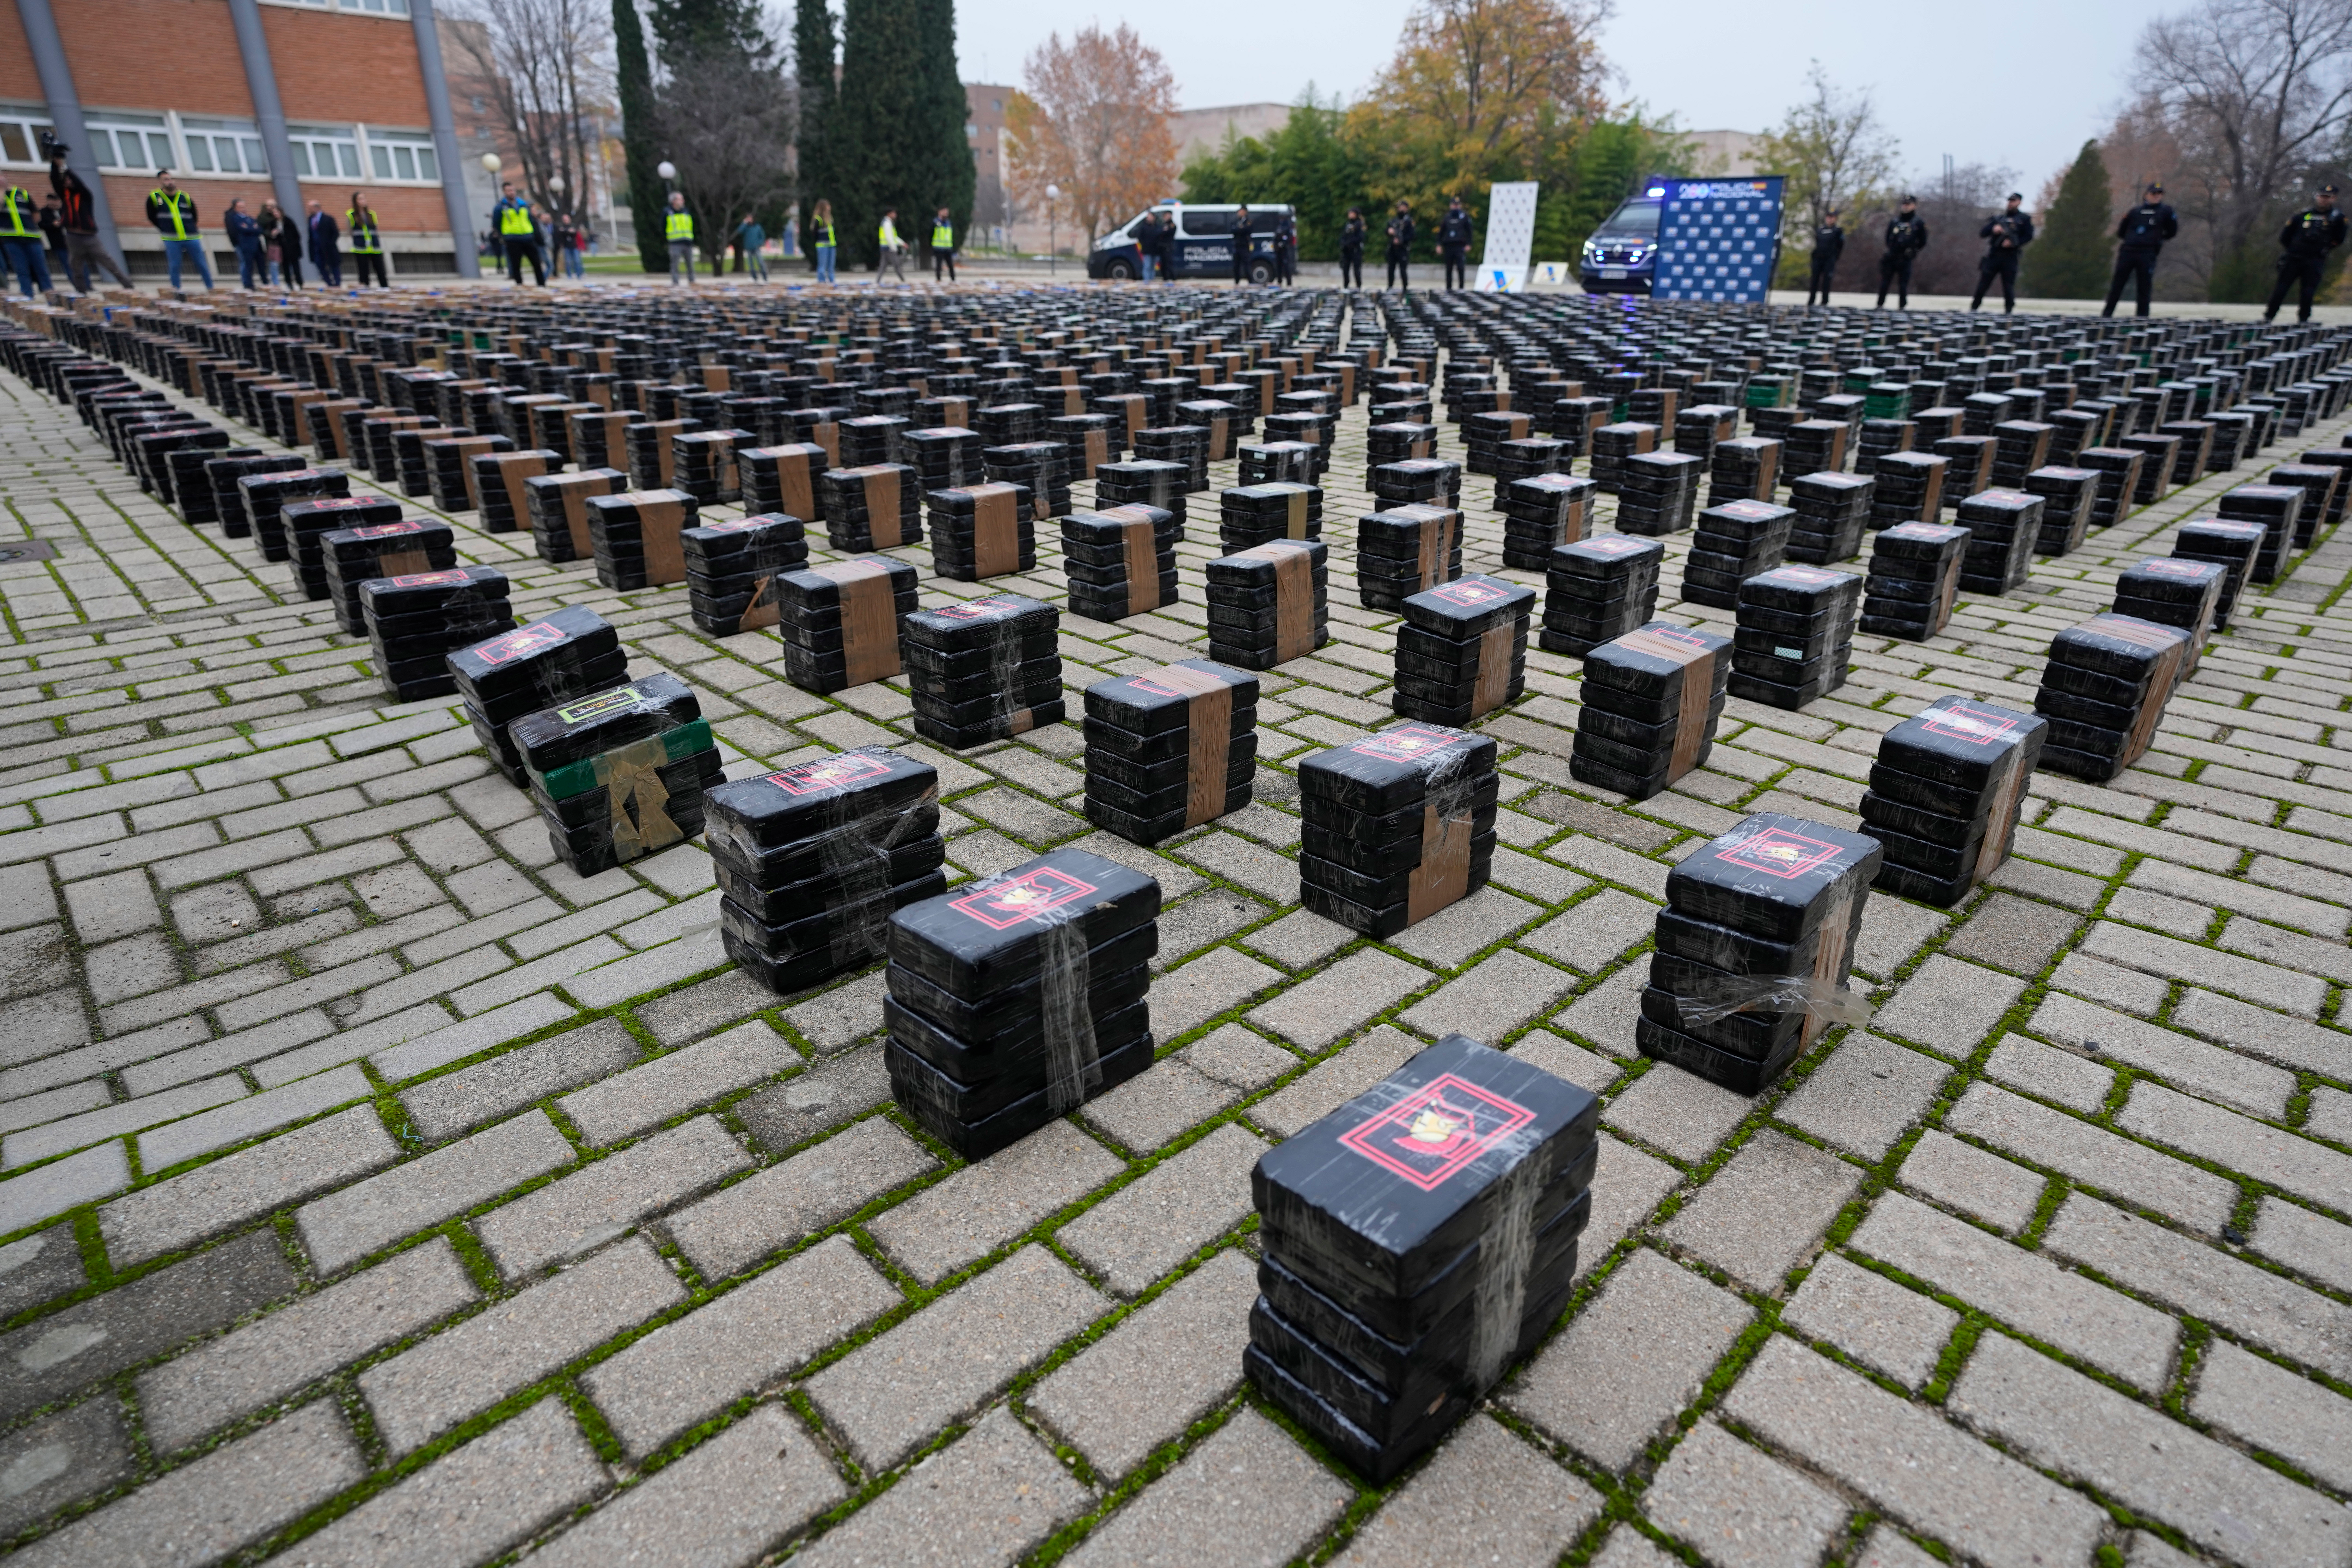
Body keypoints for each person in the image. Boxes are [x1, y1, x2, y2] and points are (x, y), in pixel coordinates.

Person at [2266, 183, 2347, 324]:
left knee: (2308, 292)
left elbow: (2340, 239)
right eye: (2322, 197)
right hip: (2294, 258)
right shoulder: (2303, 215)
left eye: (2328, 198)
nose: (2324, 200)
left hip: (2315, 260)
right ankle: (2269, 316)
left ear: (2334, 199)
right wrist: (2294, 249)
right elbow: (2285, 237)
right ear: (2317, 197)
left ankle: (2304, 319)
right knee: (2281, 289)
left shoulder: (2337, 218)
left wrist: (2324, 249)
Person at [2100, 183, 2178, 318]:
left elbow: (2172, 231)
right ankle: (2107, 315)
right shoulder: (2135, 212)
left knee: (2144, 287)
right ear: (2147, 195)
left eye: (2160, 194)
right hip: (2129, 251)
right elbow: (2122, 232)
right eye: (2154, 194)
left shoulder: (2166, 212)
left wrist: (2157, 240)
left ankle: (2142, 318)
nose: (2157, 197)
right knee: (2118, 285)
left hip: (2147, 253)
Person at [147, 172, 213, 291]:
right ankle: (176, 291)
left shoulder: (184, 196)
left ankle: (211, 288)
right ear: (161, 182)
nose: (170, 182)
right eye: (166, 180)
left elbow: (194, 215)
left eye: (171, 179)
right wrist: (164, 228)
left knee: (202, 264)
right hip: (171, 239)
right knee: (175, 266)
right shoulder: (155, 197)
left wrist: (191, 227)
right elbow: (152, 217)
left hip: (191, 237)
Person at [1970, 192, 2034, 313]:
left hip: (2010, 257)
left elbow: (2028, 237)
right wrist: (1994, 230)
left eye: (2014, 201)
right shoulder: (1999, 219)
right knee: (1983, 284)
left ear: (2019, 202)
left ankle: (2009, 310)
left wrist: (2014, 243)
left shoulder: (2024, 220)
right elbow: (1983, 233)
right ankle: (1974, 308)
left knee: (2008, 286)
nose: (2011, 203)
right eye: (2010, 201)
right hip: (1994, 256)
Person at [1, 180, 51, 298]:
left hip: (32, 238)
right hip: (11, 240)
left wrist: (30, 226)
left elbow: (36, 214)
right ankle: (28, 296)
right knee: (22, 270)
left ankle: (50, 295)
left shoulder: (21, 193)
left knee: (41, 268)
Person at [1875, 196, 1927, 309]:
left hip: (1906, 258)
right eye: (1904, 204)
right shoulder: (1895, 221)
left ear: (1914, 206)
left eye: (1908, 204)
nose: (1905, 207)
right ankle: (1880, 304)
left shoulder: (1918, 223)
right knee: (1885, 283)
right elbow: (1888, 238)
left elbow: (1923, 241)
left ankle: (1902, 306)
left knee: (1903, 284)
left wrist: (1914, 251)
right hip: (1892, 257)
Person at [494, 183, 542, 285]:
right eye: (509, 191)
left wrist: (534, 234)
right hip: (513, 239)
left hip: (528, 237)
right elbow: (496, 223)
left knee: (537, 263)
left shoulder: (523, 205)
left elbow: (530, 220)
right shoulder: (501, 207)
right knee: (516, 265)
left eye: (513, 190)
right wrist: (504, 236)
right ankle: (520, 285)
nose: (511, 193)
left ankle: (542, 285)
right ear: (504, 192)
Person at [347, 194, 388, 288]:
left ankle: (385, 288)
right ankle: (365, 290)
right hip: (361, 248)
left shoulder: (371, 214)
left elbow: (376, 230)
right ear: (356, 201)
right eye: (360, 199)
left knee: (381, 271)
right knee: (363, 272)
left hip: (375, 247)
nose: (363, 201)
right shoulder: (351, 215)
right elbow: (350, 231)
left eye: (364, 199)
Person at [1806, 208, 1844, 306]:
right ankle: (1811, 301)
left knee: (1827, 282)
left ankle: (1824, 302)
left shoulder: (1838, 231)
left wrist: (1835, 257)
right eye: (1828, 217)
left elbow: (1841, 246)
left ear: (1835, 219)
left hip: (1829, 259)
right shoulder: (1820, 230)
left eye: (1832, 218)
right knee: (1815, 281)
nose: (1829, 220)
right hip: (1818, 259)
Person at [226, 197, 264, 289]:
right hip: (245, 246)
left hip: (256, 245)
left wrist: (250, 228)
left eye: (244, 207)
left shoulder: (250, 218)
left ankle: (265, 282)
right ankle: (248, 285)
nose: (244, 209)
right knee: (247, 266)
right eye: (241, 207)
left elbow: (259, 229)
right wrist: (252, 229)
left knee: (262, 265)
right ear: (236, 208)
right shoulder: (234, 218)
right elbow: (242, 229)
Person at [1438, 196, 1474, 289]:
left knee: (1461, 268)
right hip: (1449, 246)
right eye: (1454, 205)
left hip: (1460, 246)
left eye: (1457, 205)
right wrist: (1439, 244)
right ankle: (1449, 288)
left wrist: (1469, 244)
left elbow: (1469, 232)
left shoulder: (1464, 217)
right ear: (1451, 206)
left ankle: (1461, 288)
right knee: (1449, 269)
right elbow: (1441, 232)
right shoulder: (1447, 217)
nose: (1456, 207)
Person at [306, 200, 342, 288]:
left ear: (316, 208)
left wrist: (330, 244)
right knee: (320, 266)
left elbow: (336, 233)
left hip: (329, 248)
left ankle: (337, 284)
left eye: (310, 208)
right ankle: (329, 284)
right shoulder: (310, 219)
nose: (309, 210)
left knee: (334, 266)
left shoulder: (328, 219)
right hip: (317, 248)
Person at [664, 192, 695, 284]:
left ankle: (692, 282)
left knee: (690, 265)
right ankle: (676, 283)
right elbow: (663, 226)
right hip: (675, 243)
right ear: (674, 201)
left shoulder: (686, 212)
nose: (683, 201)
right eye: (680, 199)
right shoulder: (668, 212)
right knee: (675, 265)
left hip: (687, 242)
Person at [274, 201, 305, 286]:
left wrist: (294, 245)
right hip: (282, 249)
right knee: (286, 268)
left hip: (292, 249)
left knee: (296, 267)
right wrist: (274, 234)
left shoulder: (288, 221)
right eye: (275, 213)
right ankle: (289, 284)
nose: (276, 214)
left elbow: (296, 235)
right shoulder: (274, 223)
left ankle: (300, 283)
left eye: (277, 212)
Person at [1385, 200, 1415, 291]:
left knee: (1403, 270)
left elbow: (1412, 236)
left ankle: (1405, 288)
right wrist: (1389, 231)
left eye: (1402, 207)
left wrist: (1401, 240)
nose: (1400, 209)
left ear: (1406, 208)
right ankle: (1390, 287)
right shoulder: (1394, 221)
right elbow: (1387, 230)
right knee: (1391, 269)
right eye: (1399, 207)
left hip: (1403, 248)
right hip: (1393, 248)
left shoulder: (1409, 221)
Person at [38, 195, 68, 284]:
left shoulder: (64, 211)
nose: (55, 203)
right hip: (58, 243)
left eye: (56, 201)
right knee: (67, 264)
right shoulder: (43, 213)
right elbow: (41, 225)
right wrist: (53, 225)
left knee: (80, 265)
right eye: (52, 201)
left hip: (72, 241)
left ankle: (88, 285)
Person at [875, 207, 908, 285]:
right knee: (897, 265)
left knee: (883, 266)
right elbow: (889, 238)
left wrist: (902, 243)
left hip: (885, 248)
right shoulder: (887, 223)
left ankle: (878, 281)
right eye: (894, 213)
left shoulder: (887, 223)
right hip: (889, 249)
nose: (895, 215)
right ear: (889, 214)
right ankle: (903, 281)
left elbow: (894, 237)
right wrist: (894, 248)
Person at [1338, 207, 1366, 290]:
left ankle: (1359, 287)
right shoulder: (1348, 225)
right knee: (1346, 270)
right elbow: (1343, 236)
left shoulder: (1359, 225)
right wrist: (1343, 243)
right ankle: (1346, 286)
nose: (1350, 215)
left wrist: (1350, 243)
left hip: (1356, 250)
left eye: (1352, 214)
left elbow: (1360, 238)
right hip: (1347, 251)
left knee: (1357, 271)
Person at [734, 213, 767, 280]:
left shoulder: (758, 227)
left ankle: (765, 277)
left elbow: (762, 236)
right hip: (748, 247)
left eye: (750, 218)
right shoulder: (746, 227)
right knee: (751, 264)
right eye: (748, 218)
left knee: (761, 262)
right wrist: (744, 223)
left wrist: (759, 244)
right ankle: (754, 277)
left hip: (756, 247)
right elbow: (740, 231)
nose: (750, 220)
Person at [811, 199, 837, 283]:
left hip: (832, 246)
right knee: (822, 267)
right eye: (828, 206)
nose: (830, 207)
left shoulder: (830, 219)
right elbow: (815, 234)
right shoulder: (818, 220)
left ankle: (832, 282)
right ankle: (822, 282)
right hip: (823, 246)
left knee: (831, 267)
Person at [929, 205, 956, 282]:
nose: (946, 213)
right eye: (945, 211)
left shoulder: (949, 223)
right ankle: (938, 279)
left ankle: (953, 279)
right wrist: (931, 245)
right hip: (939, 248)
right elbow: (930, 234)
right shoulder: (935, 222)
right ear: (940, 212)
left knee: (951, 265)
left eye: (947, 212)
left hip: (948, 247)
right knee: (939, 265)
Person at [1231, 206, 1255, 284]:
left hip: (1245, 246)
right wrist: (1240, 229)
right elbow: (1233, 230)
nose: (1239, 213)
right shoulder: (1236, 221)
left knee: (1247, 266)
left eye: (1241, 211)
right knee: (1236, 266)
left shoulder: (1249, 221)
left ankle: (1251, 282)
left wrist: (1240, 229)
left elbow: (1247, 230)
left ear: (1245, 212)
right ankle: (1237, 282)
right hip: (1237, 246)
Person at [1273, 209, 1297, 286]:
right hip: (1279, 251)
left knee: (1286, 267)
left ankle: (1289, 283)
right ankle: (1280, 282)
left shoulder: (1288, 226)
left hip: (1285, 250)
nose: (1282, 219)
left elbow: (1289, 238)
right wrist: (1276, 245)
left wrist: (1283, 244)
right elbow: (1276, 237)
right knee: (1279, 266)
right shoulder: (1279, 226)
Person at [1155, 209, 1179, 281]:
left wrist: (1162, 232)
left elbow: (1166, 233)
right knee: (1163, 265)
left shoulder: (1172, 225)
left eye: (1168, 215)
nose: (1166, 217)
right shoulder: (1163, 225)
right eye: (1165, 216)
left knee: (1169, 264)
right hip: (1162, 248)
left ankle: (1173, 278)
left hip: (1168, 247)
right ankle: (1165, 278)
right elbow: (1158, 233)